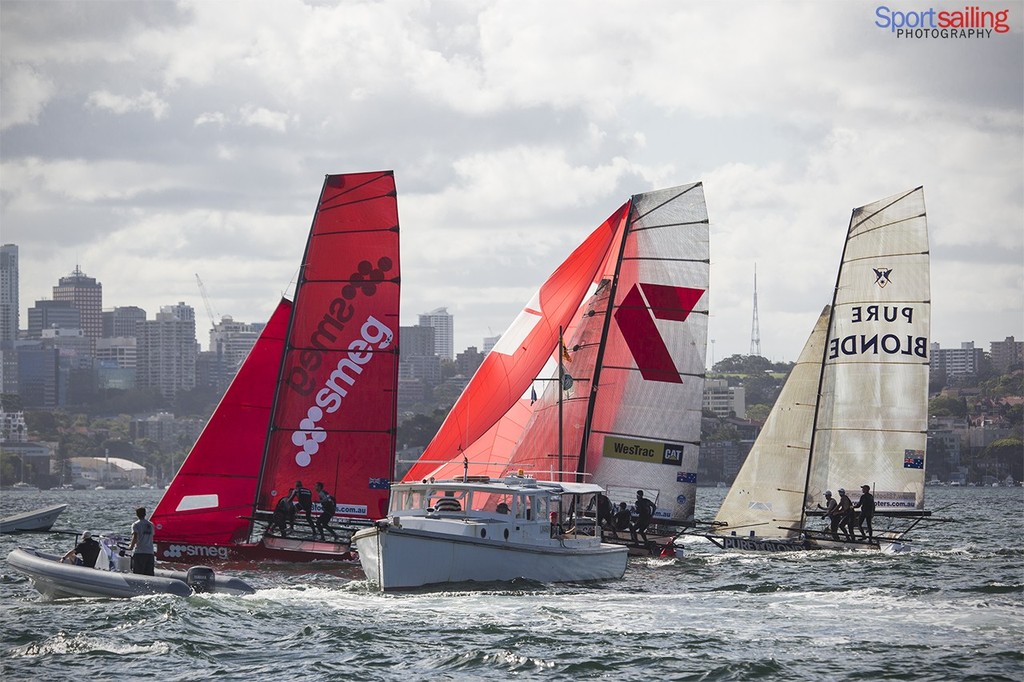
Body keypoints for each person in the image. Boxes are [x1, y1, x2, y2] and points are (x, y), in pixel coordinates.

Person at [128, 507, 155, 576]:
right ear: (145, 514)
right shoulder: (151, 524)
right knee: (149, 574)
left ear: (137, 515)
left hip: (139, 552)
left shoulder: (136, 524)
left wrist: (131, 546)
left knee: (138, 574)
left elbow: (135, 537)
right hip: (150, 552)